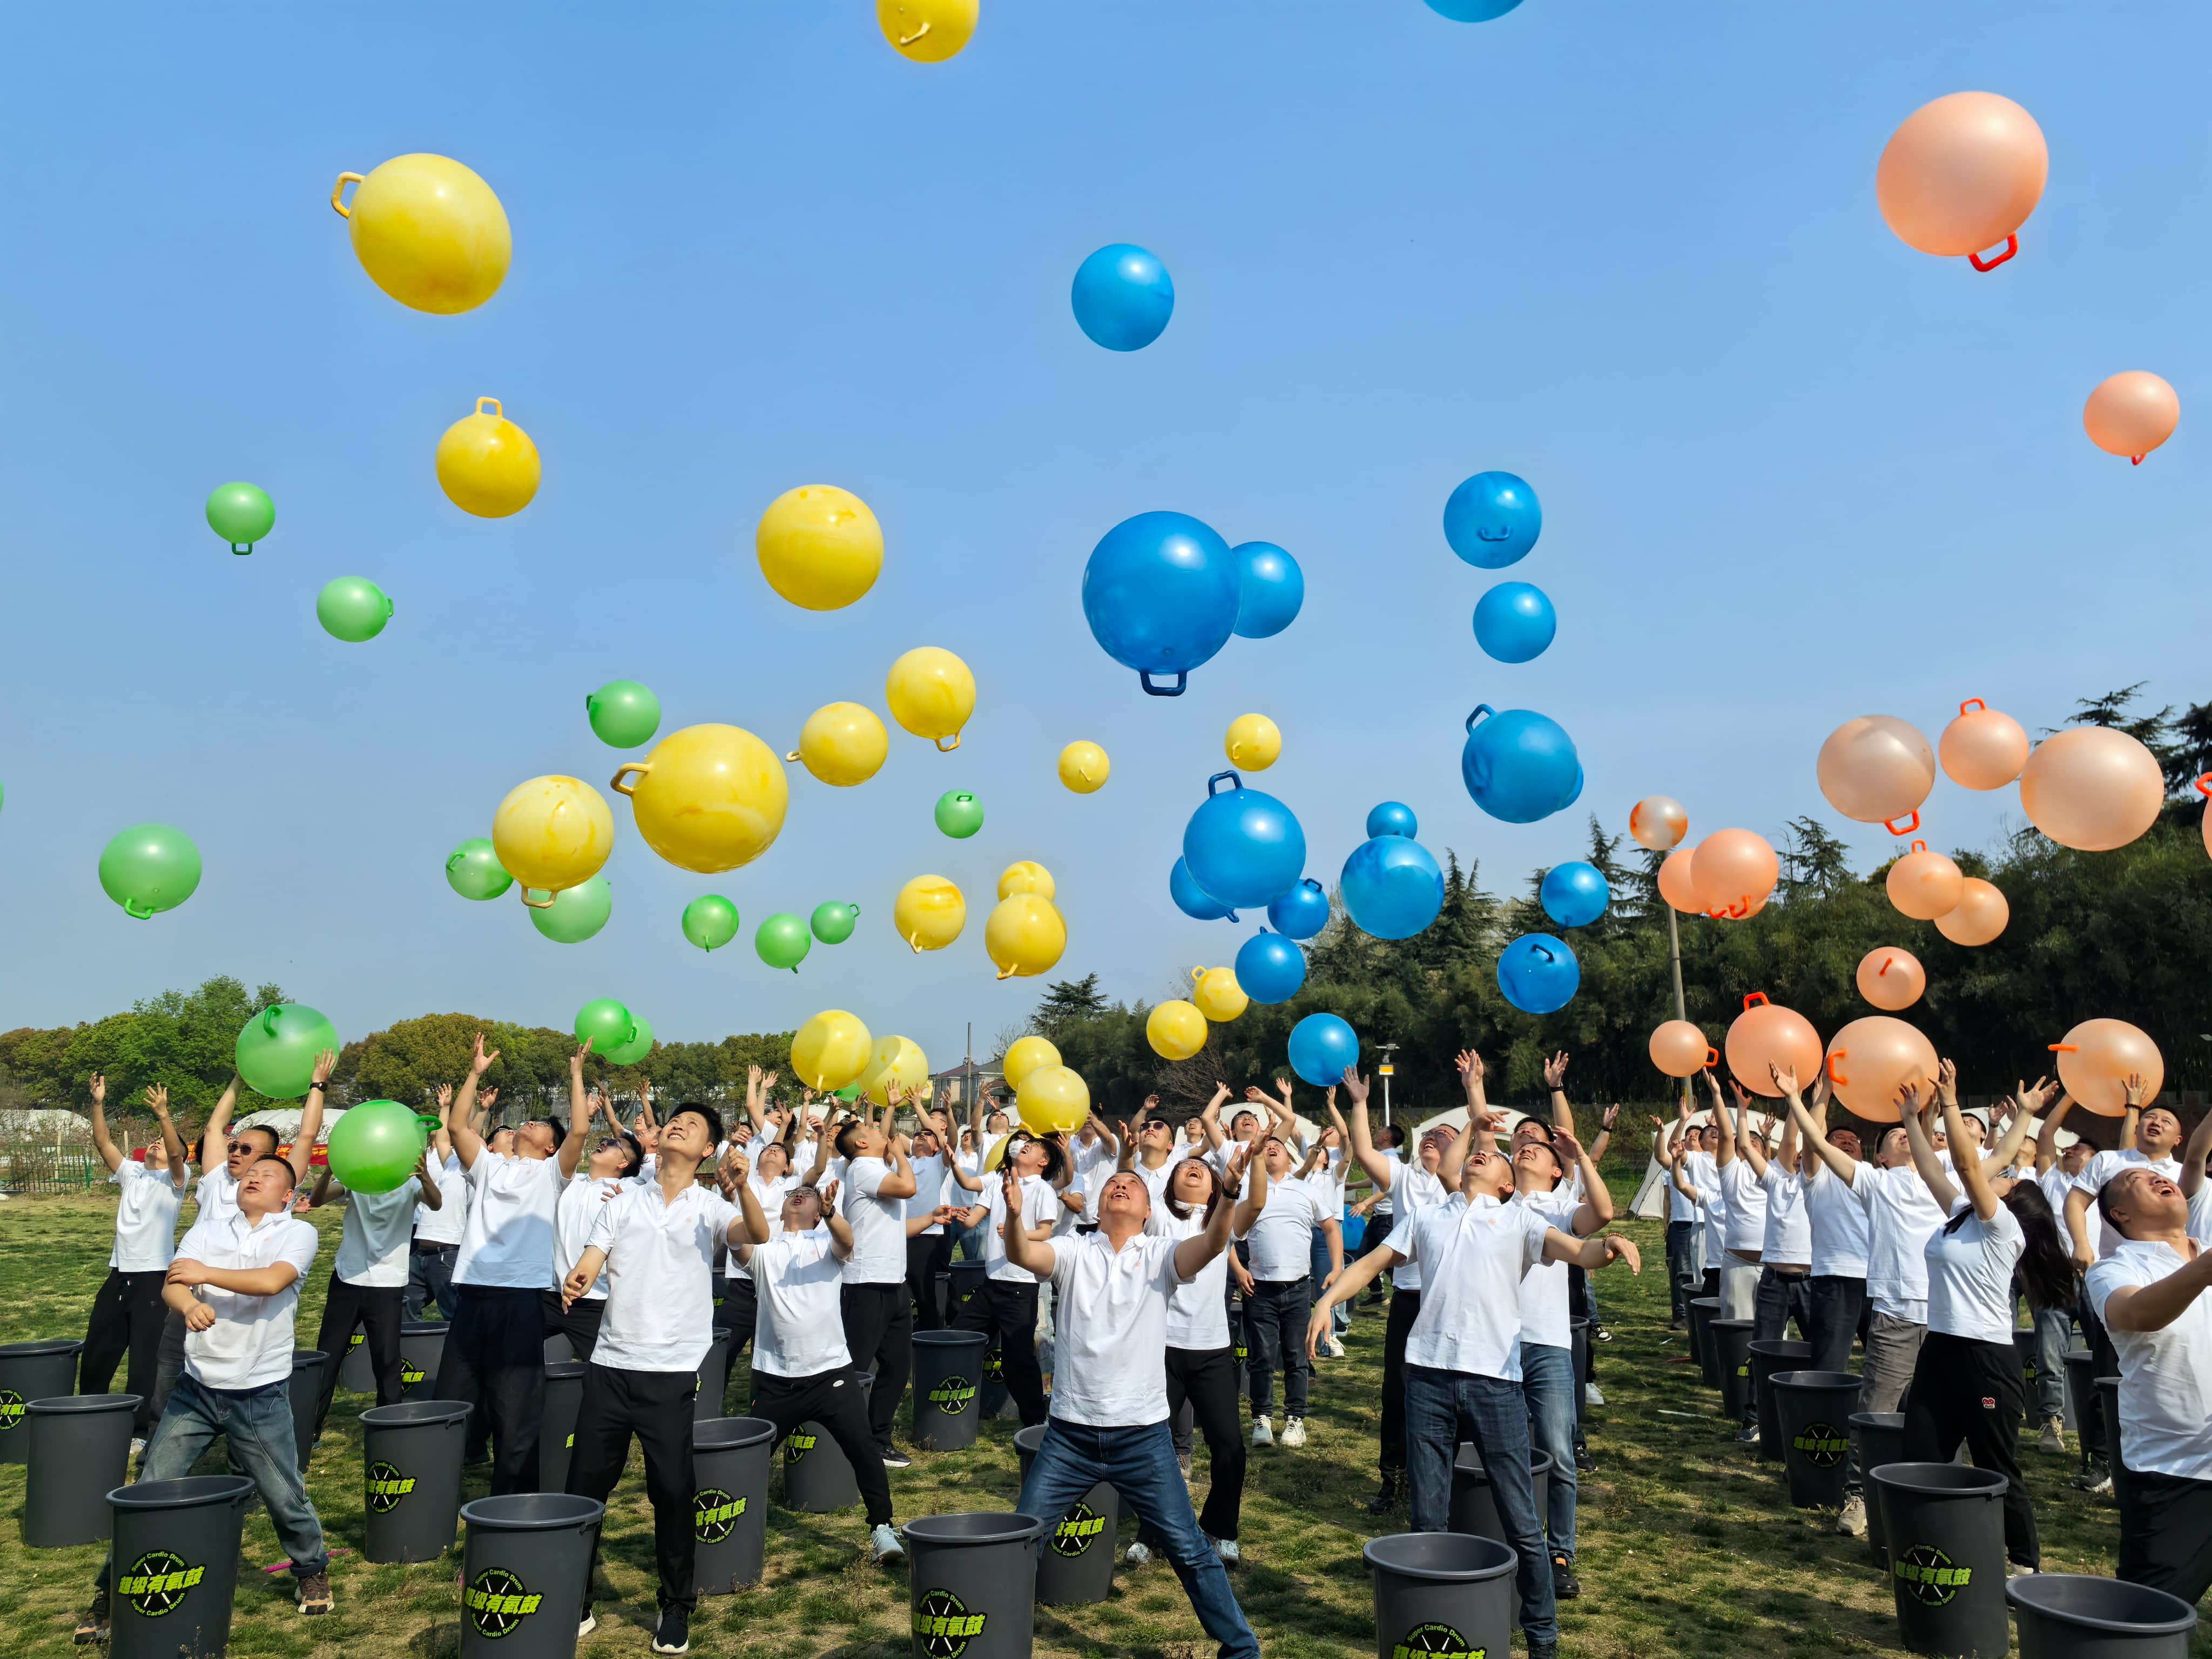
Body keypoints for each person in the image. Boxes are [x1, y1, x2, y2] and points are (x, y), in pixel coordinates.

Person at [1308, 1084, 1640, 1659]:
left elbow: (1579, 1251)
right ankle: (1434, 1629)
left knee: (1518, 1515)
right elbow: (1371, 1262)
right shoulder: (1429, 1219)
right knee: (1427, 1516)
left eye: (1496, 1156)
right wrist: (1325, 1300)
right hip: (1427, 1379)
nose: (1485, 1154)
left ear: (1508, 1184)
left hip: (1495, 1382)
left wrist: (1608, 1244)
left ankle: (1541, 1636)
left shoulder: (1521, 1222)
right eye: (1480, 1152)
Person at [1001, 1161, 1262, 1659]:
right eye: (1114, 1185)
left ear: (1147, 1210)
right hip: (1069, 1437)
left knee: (1189, 1549)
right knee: (1021, 1543)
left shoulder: (1161, 1254)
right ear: (1100, 1206)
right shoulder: (1075, 1249)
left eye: (1133, 1186)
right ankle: (995, 1640)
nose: (1121, 1186)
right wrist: (1014, 1217)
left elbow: (1210, 1245)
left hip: (1142, 1438)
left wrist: (1227, 1195)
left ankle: (1241, 1649)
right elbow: (1022, 1252)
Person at [77, 1147, 331, 1642]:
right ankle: (110, 1593)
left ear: (289, 1194)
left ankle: (311, 1569)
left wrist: (205, 1278)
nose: (253, 1176)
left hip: (258, 1392)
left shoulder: (298, 1233)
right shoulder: (211, 1227)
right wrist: (187, 1303)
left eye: (267, 1174)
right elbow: (176, 1282)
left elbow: (272, 1282)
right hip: (195, 1389)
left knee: (283, 1492)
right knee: (151, 1487)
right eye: (249, 1172)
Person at [561, 1100, 749, 1654]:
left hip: (669, 1374)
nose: (677, 1125)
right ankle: (578, 1599)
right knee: (585, 1491)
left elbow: (753, 1234)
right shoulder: (624, 1201)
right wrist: (579, 1277)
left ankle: (675, 1606)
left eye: (691, 1126)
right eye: (675, 1120)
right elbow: (593, 1258)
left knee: (671, 1492)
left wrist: (744, 1190)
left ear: (707, 1150)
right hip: (610, 1367)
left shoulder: (710, 1207)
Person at [1892, 1064, 2067, 1574]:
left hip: (1987, 1359)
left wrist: (1949, 1100)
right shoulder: (1958, 1217)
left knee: (1997, 1467)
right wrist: (1911, 1115)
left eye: (2008, 1179)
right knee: (1918, 1455)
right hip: (1940, 1350)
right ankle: (1928, 1545)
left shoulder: (2003, 1231)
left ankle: (2024, 1564)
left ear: (2015, 1205)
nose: (2001, 1174)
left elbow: (1973, 1167)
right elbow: (1934, 1171)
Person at [435, 1033, 591, 1494]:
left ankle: (512, 1498)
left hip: (522, 1300)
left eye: (544, 1125)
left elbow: (579, 1131)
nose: (533, 1124)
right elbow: (459, 1127)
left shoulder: (552, 1175)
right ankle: (442, 1482)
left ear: (549, 1148)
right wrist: (475, 1072)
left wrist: (576, 1075)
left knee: (516, 1404)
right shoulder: (489, 1167)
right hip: (473, 1295)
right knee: (454, 1395)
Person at [731, 1153, 905, 1567]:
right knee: (749, 1462)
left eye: (808, 1195)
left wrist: (831, 1216)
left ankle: (882, 1527)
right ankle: (730, 1530)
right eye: (794, 1192)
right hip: (774, 1379)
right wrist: (742, 1189)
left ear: (817, 1212)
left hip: (831, 1376)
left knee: (862, 1450)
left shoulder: (827, 1244)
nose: (800, 1196)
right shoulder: (765, 1251)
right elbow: (739, 1246)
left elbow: (847, 1241)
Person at [1124, 1147, 1268, 1568]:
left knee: (1229, 1446)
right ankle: (1149, 1533)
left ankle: (1222, 1529)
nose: (1193, 1169)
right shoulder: (1156, 1219)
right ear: (1168, 1185)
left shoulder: (1219, 1218)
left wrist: (1254, 1159)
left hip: (1211, 1352)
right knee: (1153, 1446)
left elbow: (1255, 1202)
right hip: (1158, 1348)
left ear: (1216, 1187)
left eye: (1203, 1170)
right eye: (1186, 1167)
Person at [150, 1069, 322, 1421]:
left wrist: (316, 1085)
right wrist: (240, 1079)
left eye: (246, 1149)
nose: (235, 1152)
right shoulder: (216, 1179)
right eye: (234, 1146)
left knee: (242, 1395)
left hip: (243, 1308)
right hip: (194, 1296)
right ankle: (158, 1443)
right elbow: (215, 1128)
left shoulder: (279, 1187)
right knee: (169, 1373)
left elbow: (307, 1134)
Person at [1345, 1060, 1472, 1513]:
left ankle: (1453, 1480)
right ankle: (1392, 1480)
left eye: (1445, 1136)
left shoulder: (1465, 1188)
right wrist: (1360, 1104)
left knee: (1457, 1393)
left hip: (1454, 1303)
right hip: (1409, 1300)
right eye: (1429, 1136)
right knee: (1397, 1393)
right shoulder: (1404, 1178)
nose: (1433, 1139)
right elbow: (1363, 1150)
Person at [2083, 1162, 2212, 1603]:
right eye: (2135, 1179)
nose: (2159, 1177)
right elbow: (2134, 1314)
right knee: (2148, 1618)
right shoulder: (2112, 1270)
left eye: (2161, 1174)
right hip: (2175, 1470)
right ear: (2119, 1213)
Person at [1510, 1113, 1612, 1601]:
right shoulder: (1492, 1201)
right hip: (1496, 1346)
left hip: (1549, 1344)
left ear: (1556, 1169)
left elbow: (1603, 1215)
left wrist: (1579, 1159)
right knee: (1501, 1455)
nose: (1526, 1145)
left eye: (1538, 1146)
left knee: (1559, 1454)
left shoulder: (1560, 1204)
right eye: (1520, 1143)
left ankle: (1561, 1552)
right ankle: (1506, 1546)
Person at [2066, 1073, 2179, 1494]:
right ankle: (2101, 1459)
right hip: (2117, 1284)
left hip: (2172, 1288)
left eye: (2166, 1120)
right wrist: (2082, 1244)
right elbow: (2075, 1202)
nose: (2156, 1122)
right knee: (2108, 1374)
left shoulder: (2183, 1177)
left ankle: (2157, 1458)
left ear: (2179, 1137)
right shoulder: (2109, 1161)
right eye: (2150, 1116)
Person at [309, 1087, 441, 1438]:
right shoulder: (357, 1176)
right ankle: (311, 1428)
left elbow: (436, 1203)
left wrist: (425, 1175)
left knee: (387, 1359)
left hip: (388, 1281)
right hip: (348, 1276)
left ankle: (390, 1428)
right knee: (328, 1355)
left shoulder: (409, 1182)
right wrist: (327, 1171)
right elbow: (318, 1200)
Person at [79, 1076, 189, 1446]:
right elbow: (102, 1142)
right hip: (120, 1274)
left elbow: (176, 1153)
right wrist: (97, 1103)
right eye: (153, 1141)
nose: (156, 1144)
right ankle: (88, 1412)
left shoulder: (177, 1179)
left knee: (145, 1358)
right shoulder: (133, 1172)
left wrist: (163, 1116)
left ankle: (141, 1431)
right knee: (98, 1349)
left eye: (161, 1142)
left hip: (155, 1276)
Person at [818, 1095, 921, 1466]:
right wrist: (902, 1154)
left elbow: (896, 1217)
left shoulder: (870, 1166)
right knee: (857, 1369)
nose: (882, 1132)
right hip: (866, 1284)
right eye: (872, 1129)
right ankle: (839, 1444)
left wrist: (886, 1109)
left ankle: (878, 1439)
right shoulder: (863, 1169)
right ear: (862, 1143)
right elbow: (909, 1187)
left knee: (896, 1367)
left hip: (893, 1282)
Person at [949, 1130, 1064, 1427]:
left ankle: (1035, 1422)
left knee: (1019, 1360)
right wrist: (959, 1215)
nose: (1023, 1148)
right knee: (960, 1337)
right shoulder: (998, 1183)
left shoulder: (1043, 1190)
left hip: (1021, 1286)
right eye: (1022, 1145)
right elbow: (974, 1220)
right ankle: (957, 1405)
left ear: (1044, 1161)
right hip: (992, 1284)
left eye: (1032, 1148)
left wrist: (1016, 1232)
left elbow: (1044, 1233)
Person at [1238, 1128, 1340, 1451]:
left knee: (1297, 1356)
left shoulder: (1305, 1190)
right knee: (1261, 1357)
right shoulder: (1247, 1191)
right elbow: (1226, 1233)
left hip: (1298, 1288)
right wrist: (1238, 1270)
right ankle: (1262, 1419)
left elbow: (1331, 1227)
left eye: (1277, 1146)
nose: (1270, 1148)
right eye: (1265, 1146)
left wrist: (1338, 1268)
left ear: (1289, 1157)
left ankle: (1295, 1419)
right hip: (1259, 1289)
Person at [548, 1090, 644, 1363]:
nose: (604, 1141)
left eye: (614, 1143)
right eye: (605, 1139)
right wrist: (585, 1114)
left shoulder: (630, 1188)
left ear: (623, 1163)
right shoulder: (568, 1182)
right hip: (551, 1294)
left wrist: (630, 1207)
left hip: (597, 1300)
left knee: (604, 1372)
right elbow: (571, 1144)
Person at [2031, 1091, 2093, 1454]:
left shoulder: (2109, 1184)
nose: (2070, 1150)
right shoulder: (2052, 1181)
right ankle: (2051, 1421)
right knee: (2050, 1354)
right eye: (2069, 1148)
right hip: (2054, 1279)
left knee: (2106, 1353)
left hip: (2097, 1278)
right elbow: (2045, 1136)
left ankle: (2106, 1425)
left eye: (2080, 1149)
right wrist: (2074, 1090)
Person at [407, 1084, 472, 1320]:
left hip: (448, 1252)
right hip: (420, 1251)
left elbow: (462, 1132)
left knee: (454, 1315)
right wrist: (444, 1108)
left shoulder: (480, 1171)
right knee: (406, 1308)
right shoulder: (452, 1164)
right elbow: (445, 1138)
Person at [1653, 1098, 1702, 1328]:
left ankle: (1703, 1312)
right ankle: (1682, 1315)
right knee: (1682, 1271)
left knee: (1704, 1269)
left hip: (1705, 1224)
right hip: (1681, 1224)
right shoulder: (1677, 1163)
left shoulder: (1712, 1163)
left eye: (1697, 1135)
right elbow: (1667, 1197)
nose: (1692, 1136)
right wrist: (1683, 1121)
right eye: (1689, 1135)